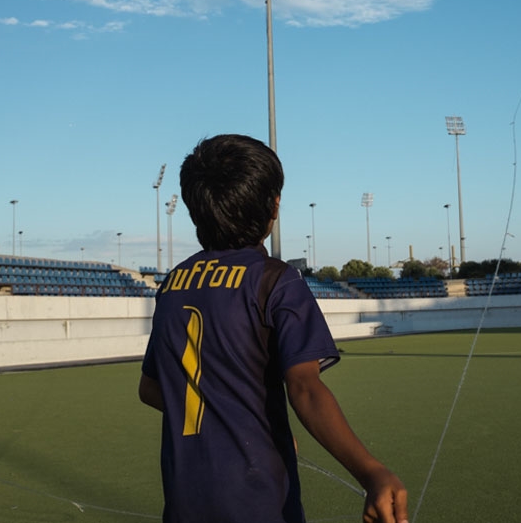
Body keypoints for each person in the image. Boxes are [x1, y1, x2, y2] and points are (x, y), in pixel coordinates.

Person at [138, 134, 408, 523]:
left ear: (196, 209)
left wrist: (235, 419)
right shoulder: (276, 281)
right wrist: (372, 472)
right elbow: (305, 387)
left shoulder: (173, 284)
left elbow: (150, 389)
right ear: (274, 207)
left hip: (183, 504)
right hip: (257, 503)